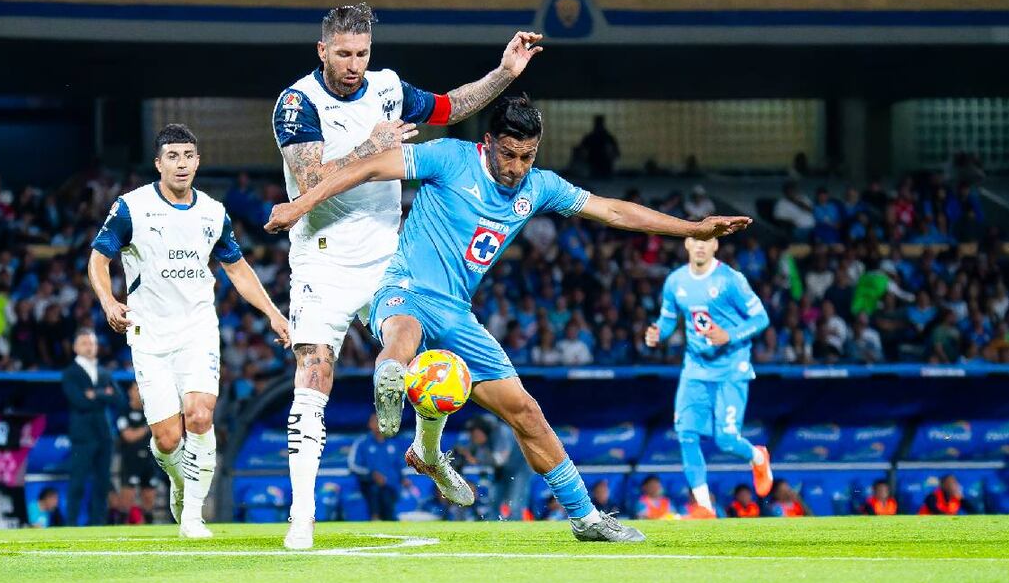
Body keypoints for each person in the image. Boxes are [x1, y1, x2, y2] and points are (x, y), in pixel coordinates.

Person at [266, 95, 751, 542]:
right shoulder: (450, 158)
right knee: (401, 336)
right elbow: (369, 168)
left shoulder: (538, 187)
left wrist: (693, 228)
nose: (517, 167)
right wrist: (300, 204)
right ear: (489, 143)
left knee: (526, 412)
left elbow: (614, 211)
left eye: (528, 156)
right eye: (509, 154)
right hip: (406, 288)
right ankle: (390, 379)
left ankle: (584, 518)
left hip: (458, 315)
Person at [269, 2, 543, 549]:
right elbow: (308, 180)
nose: (353, 64)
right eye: (343, 53)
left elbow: (449, 106)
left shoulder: (388, 88)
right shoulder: (298, 102)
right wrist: (371, 147)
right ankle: (302, 516)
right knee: (315, 375)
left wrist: (504, 73)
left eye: (362, 53)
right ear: (323, 51)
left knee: (429, 369)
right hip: (322, 260)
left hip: (390, 262)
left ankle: (429, 455)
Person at [89, 124, 290, 539]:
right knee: (166, 439)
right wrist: (110, 301)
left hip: (198, 327)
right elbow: (98, 260)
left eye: (188, 156)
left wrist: (273, 312)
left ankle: (194, 514)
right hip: (149, 333)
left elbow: (237, 270)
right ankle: (180, 484)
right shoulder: (131, 207)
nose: (182, 164)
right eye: (173, 157)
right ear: (159, 163)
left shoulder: (214, 212)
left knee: (199, 416)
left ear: (198, 161)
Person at [644, 234, 772, 519]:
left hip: (731, 367)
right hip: (695, 368)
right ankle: (704, 506)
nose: (700, 245)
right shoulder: (676, 281)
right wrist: (657, 334)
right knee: (686, 434)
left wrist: (730, 335)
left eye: (707, 240)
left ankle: (758, 457)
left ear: (716, 245)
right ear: (687, 244)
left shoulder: (730, 280)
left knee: (725, 440)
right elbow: (667, 321)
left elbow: (761, 318)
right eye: (695, 239)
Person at [62, 328, 123, 526]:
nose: (90, 347)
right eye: (85, 343)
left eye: (93, 343)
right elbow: (79, 401)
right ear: (75, 347)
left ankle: (98, 523)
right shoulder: (70, 373)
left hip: (104, 435)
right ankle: (71, 524)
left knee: (102, 482)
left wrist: (94, 394)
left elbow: (119, 398)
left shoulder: (104, 373)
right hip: (83, 436)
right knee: (78, 482)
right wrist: (103, 395)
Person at [116, 381, 159, 524]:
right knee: (126, 500)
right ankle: (121, 530)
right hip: (130, 461)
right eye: (136, 389)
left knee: (149, 498)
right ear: (129, 392)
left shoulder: (151, 412)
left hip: (149, 460)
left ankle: (149, 530)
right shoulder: (123, 412)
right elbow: (128, 436)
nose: (140, 393)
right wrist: (148, 427)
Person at [348, 413, 404, 521]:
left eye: (381, 421)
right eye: (375, 421)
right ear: (369, 424)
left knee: (388, 502)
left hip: (391, 486)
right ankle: (375, 518)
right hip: (369, 484)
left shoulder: (393, 444)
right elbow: (353, 465)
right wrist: (371, 474)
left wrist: (404, 479)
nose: (378, 424)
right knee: (375, 490)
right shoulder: (362, 443)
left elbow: (400, 465)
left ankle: (390, 520)